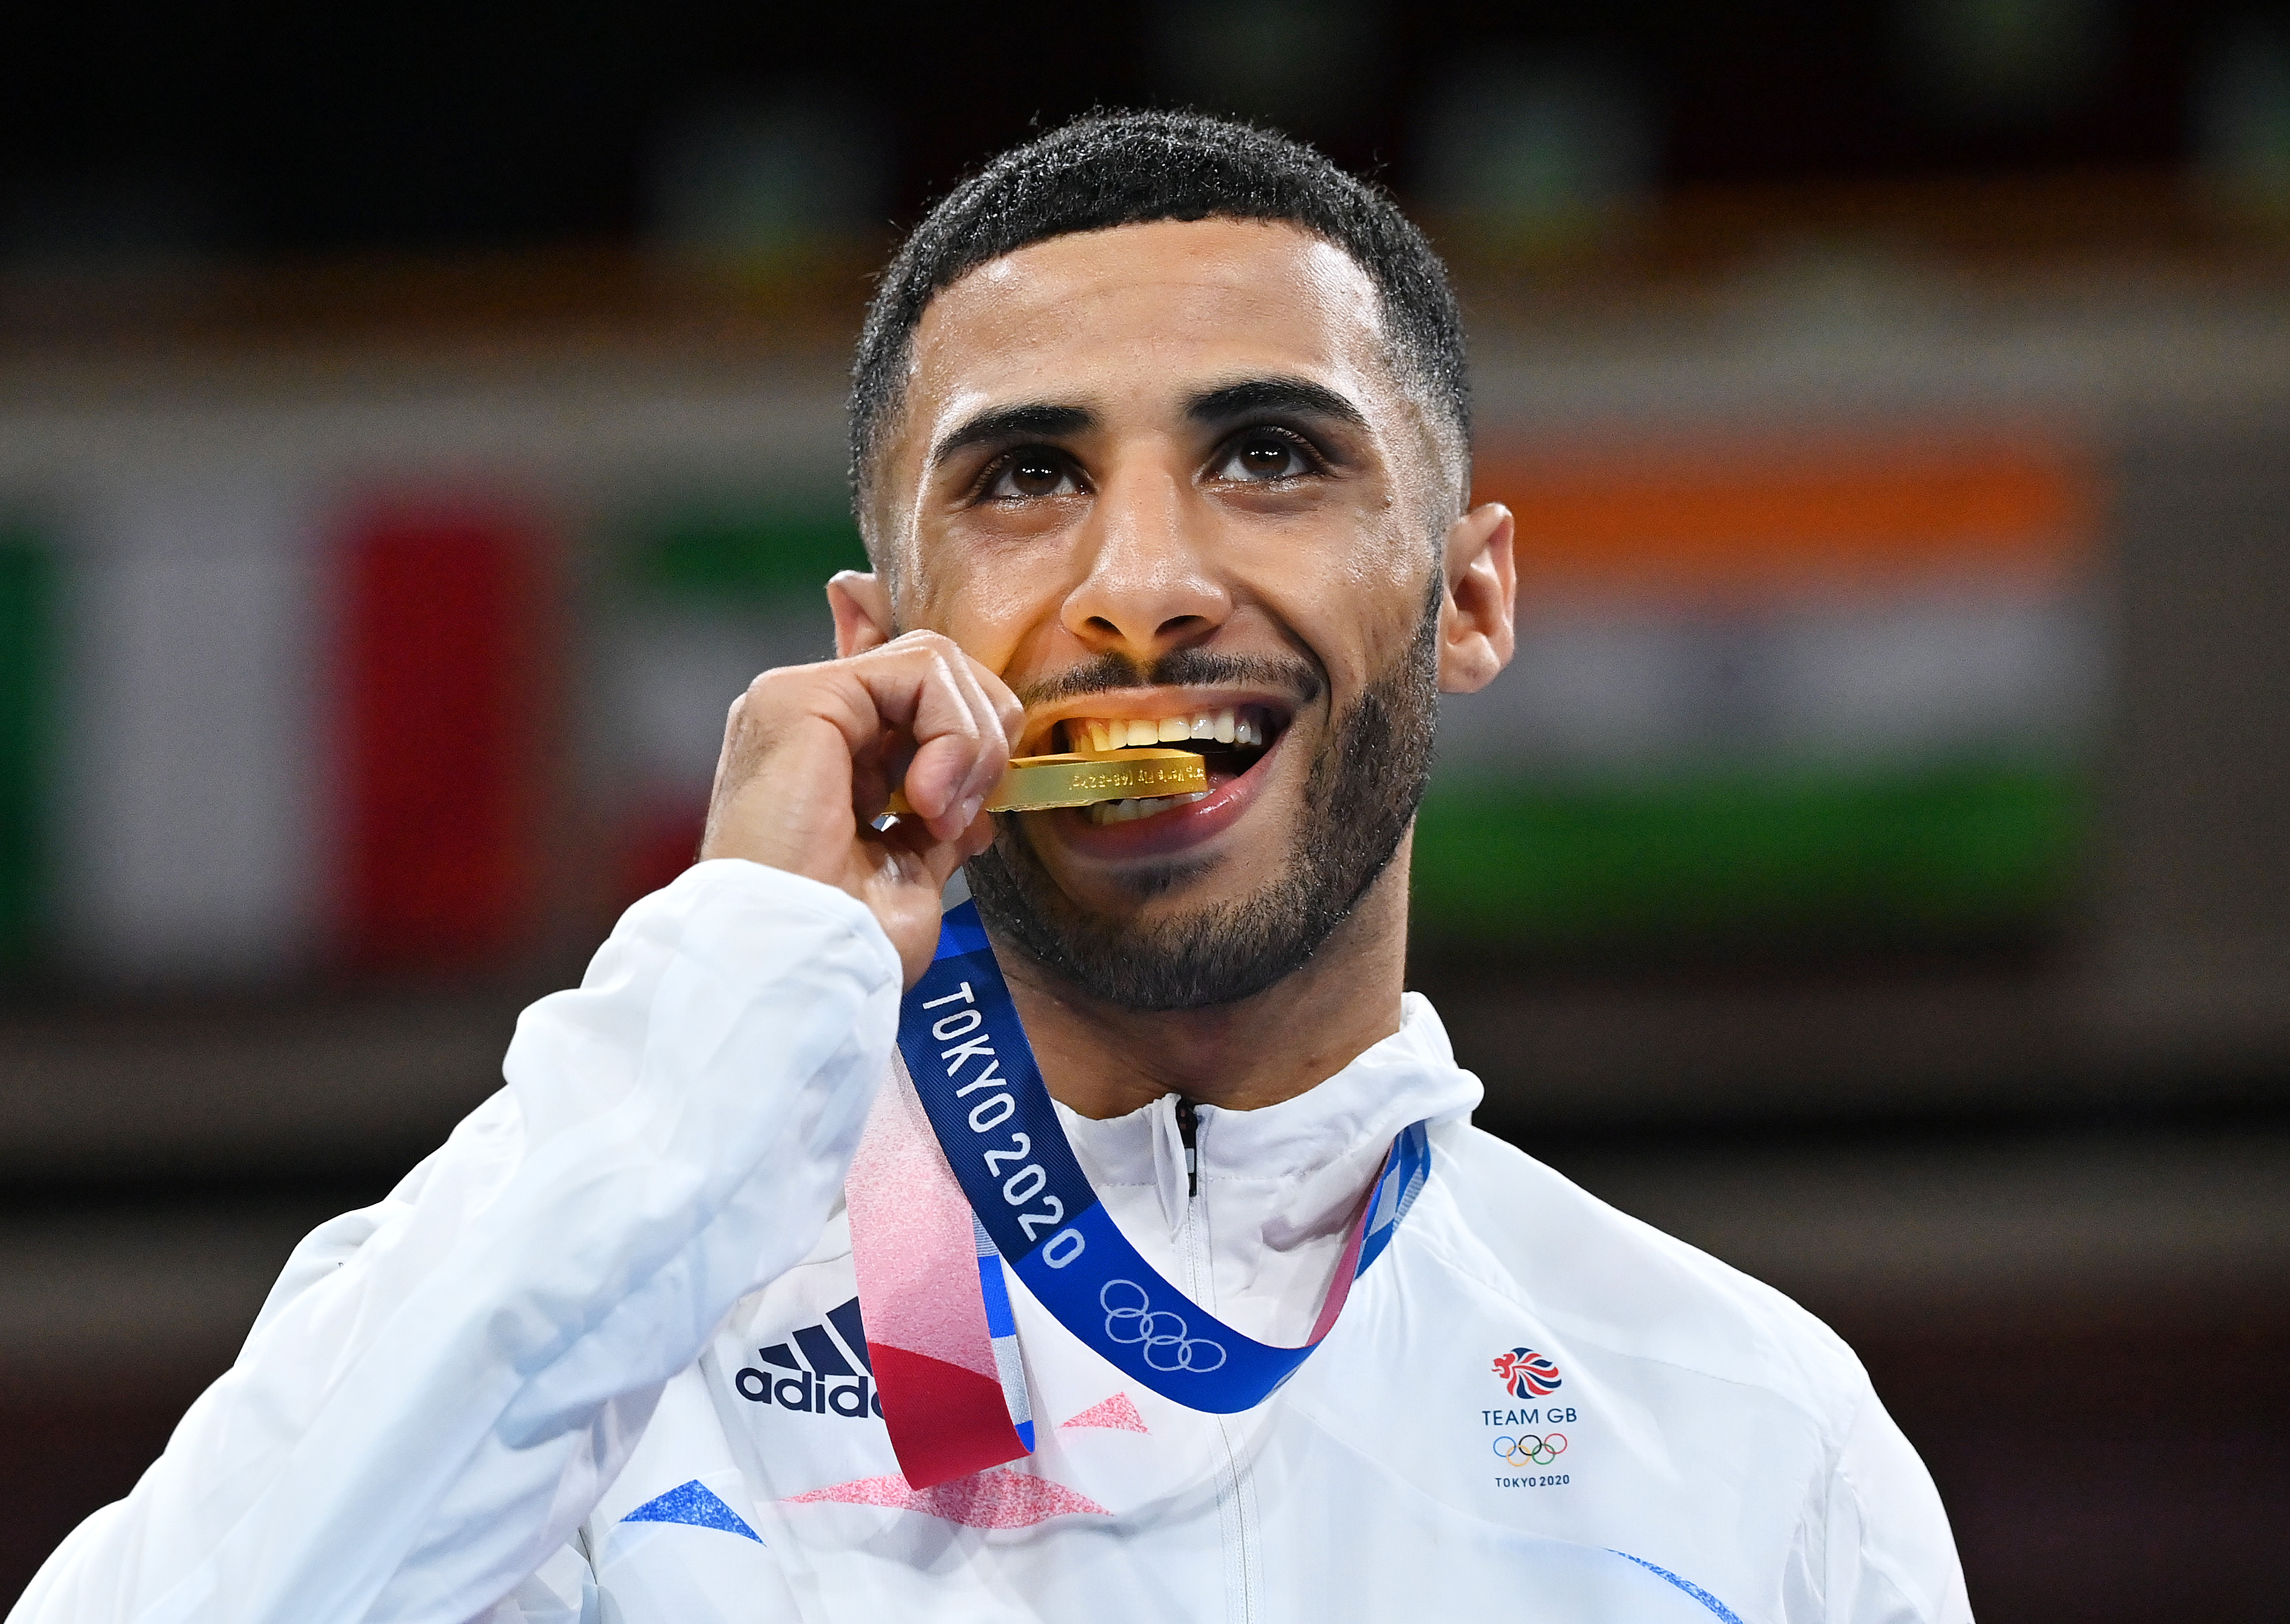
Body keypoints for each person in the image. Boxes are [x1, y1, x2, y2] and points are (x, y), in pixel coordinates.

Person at [10, 112, 1971, 1624]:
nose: (1142, 587)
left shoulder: (1746, 1441)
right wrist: (719, 1011)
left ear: (1466, 593)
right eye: (1028, 477)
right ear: (877, 632)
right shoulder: (583, 1322)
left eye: (1272, 454)